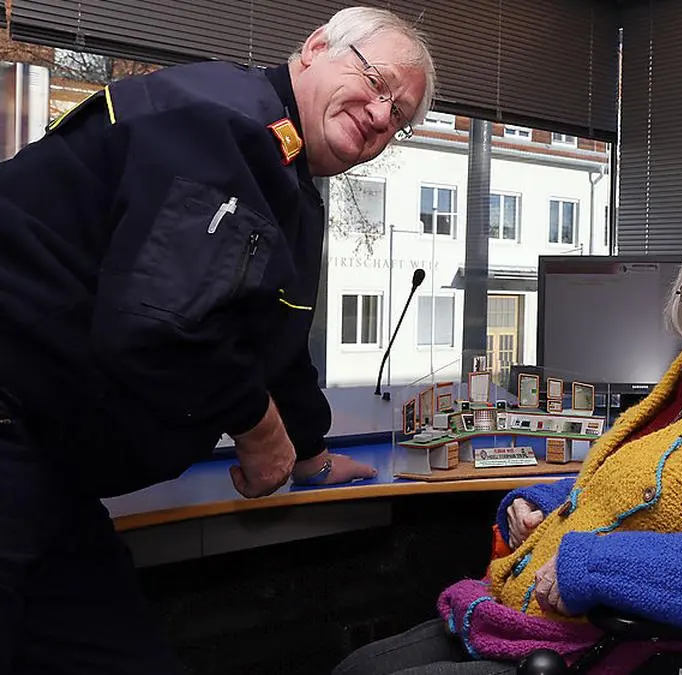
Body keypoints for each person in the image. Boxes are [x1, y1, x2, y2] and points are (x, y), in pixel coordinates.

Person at [0, 7, 435, 673]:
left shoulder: (285, 176)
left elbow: (275, 340)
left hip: (50, 457)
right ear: (316, 47)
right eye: (376, 83)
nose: (381, 115)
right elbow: (161, 321)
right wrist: (260, 431)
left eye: (398, 116)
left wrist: (311, 452)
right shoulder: (228, 124)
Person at [334, 218, 682, 675]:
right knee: (360, 666)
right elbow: (640, 478)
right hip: (544, 616)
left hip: (622, 646)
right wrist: (545, 501)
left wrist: (595, 564)